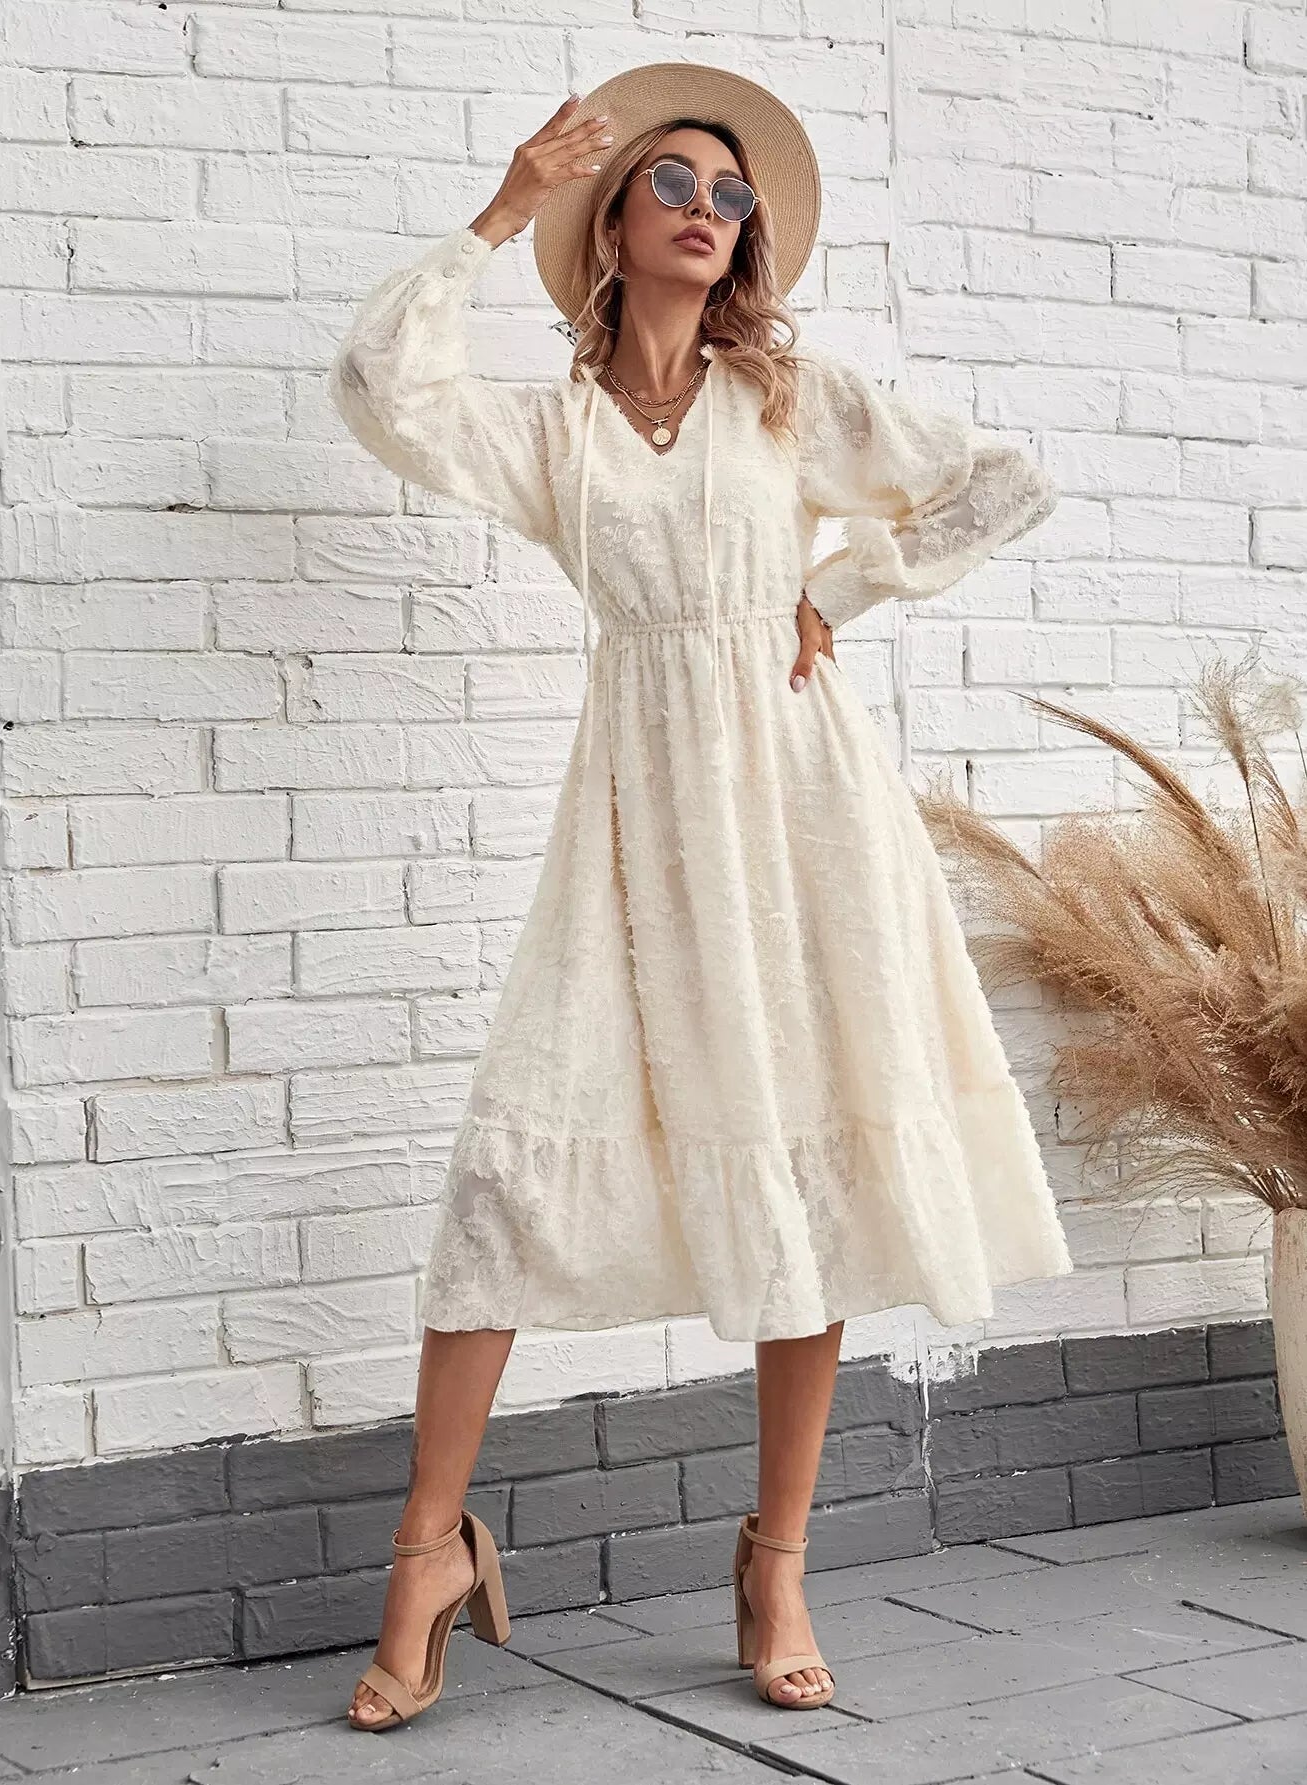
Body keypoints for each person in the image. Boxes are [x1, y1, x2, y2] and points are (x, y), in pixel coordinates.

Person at [327, 61, 1074, 1733]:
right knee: (503, 1184)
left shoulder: (791, 402)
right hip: (633, 823)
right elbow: (381, 386)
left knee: (804, 1170)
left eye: (731, 196)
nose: (706, 210)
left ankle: (775, 1562)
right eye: (672, 181)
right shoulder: (557, 432)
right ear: (610, 222)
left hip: (802, 813)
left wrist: (842, 586)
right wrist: (500, 209)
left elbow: (999, 481)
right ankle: (427, 1549)